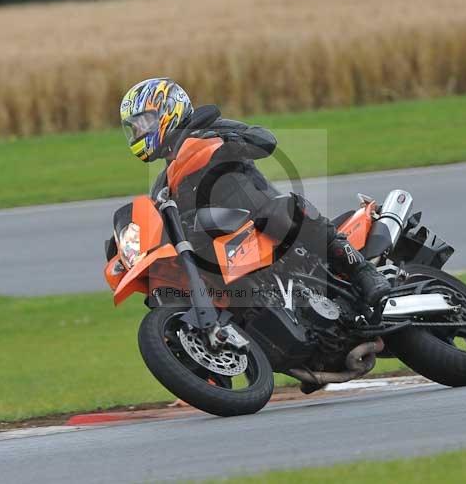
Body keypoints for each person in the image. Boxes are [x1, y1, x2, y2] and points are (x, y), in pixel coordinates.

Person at [120, 77, 391, 324]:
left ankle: (364, 272)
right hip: (224, 245)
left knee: (283, 210)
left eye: (144, 122)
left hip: (258, 214)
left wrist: (231, 140)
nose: (138, 133)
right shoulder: (162, 184)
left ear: (169, 108)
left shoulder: (209, 129)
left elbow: (265, 140)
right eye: (133, 128)